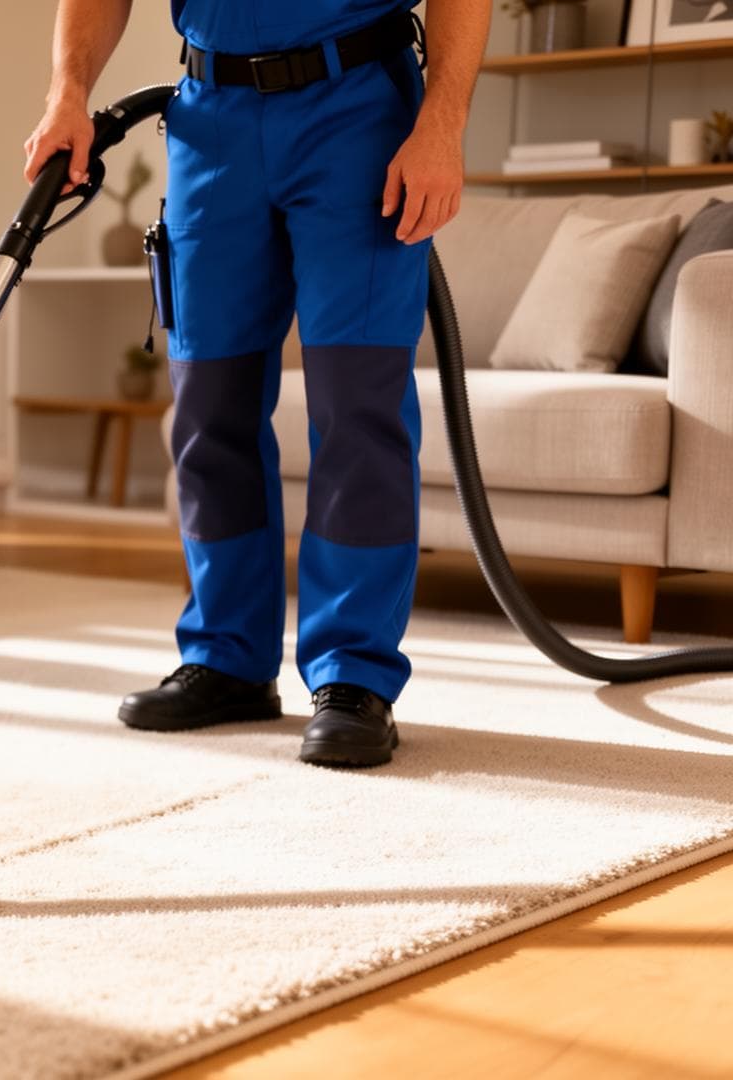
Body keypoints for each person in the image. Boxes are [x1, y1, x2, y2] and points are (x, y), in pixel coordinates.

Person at [24, 0, 491, 767]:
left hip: (358, 111)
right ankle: (228, 655)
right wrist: (66, 94)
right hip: (211, 119)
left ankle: (352, 674)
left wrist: (440, 125)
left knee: (356, 405)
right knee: (208, 407)